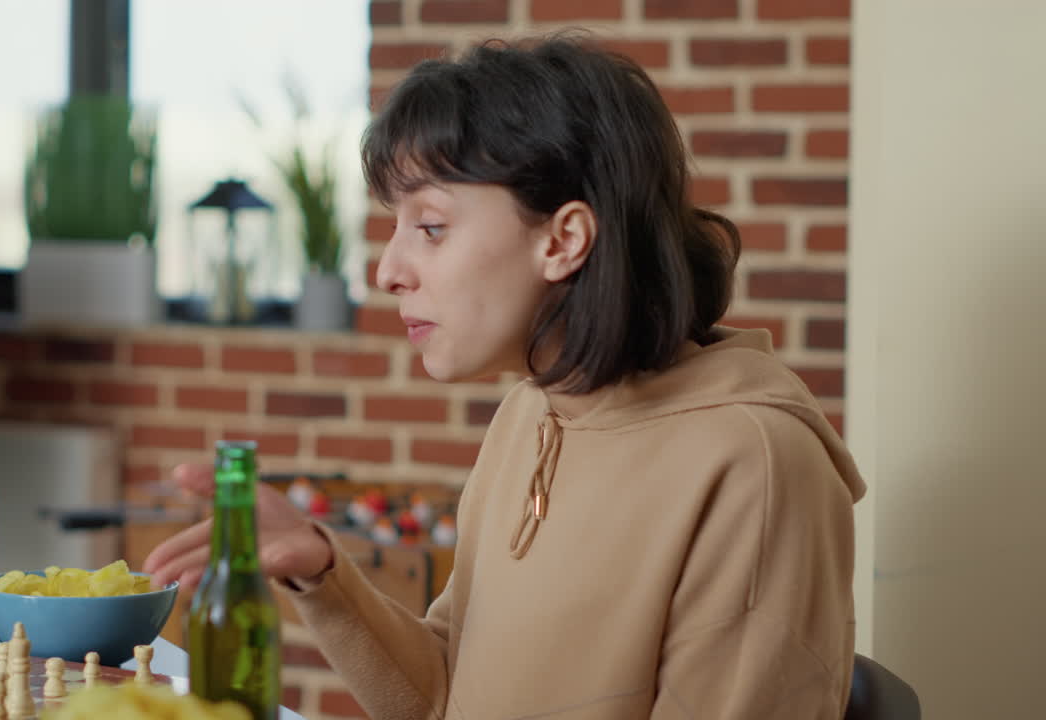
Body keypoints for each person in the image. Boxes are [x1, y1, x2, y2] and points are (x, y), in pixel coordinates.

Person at [145, 35, 865, 719]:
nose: (389, 271)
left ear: (563, 239)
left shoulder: (756, 466)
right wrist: (324, 575)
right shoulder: (535, 413)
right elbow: (443, 698)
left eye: (429, 227)